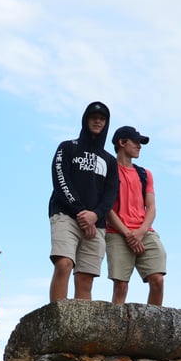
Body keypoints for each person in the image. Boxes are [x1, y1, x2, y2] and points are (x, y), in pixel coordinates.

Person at [48, 101, 119, 302]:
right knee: (64, 265)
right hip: (66, 215)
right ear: (85, 120)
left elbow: (111, 193)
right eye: (93, 117)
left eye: (102, 118)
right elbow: (60, 179)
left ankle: (79, 332)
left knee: (85, 279)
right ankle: (57, 322)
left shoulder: (110, 160)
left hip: (96, 223)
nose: (97, 121)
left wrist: (95, 215)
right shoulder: (67, 147)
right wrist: (81, 214)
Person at [105, 126, 167, 306]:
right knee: (121, 286)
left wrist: (139, 232)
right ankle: (114, 329)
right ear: (122, 142)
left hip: (144, 231)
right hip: (116, 232)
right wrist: (128, 234)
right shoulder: (108, 171)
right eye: (136, 142)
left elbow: (152, 207)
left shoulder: (145, 174)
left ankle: (153, 326)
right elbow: (106, 208)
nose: (139, 146)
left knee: (158, 281)